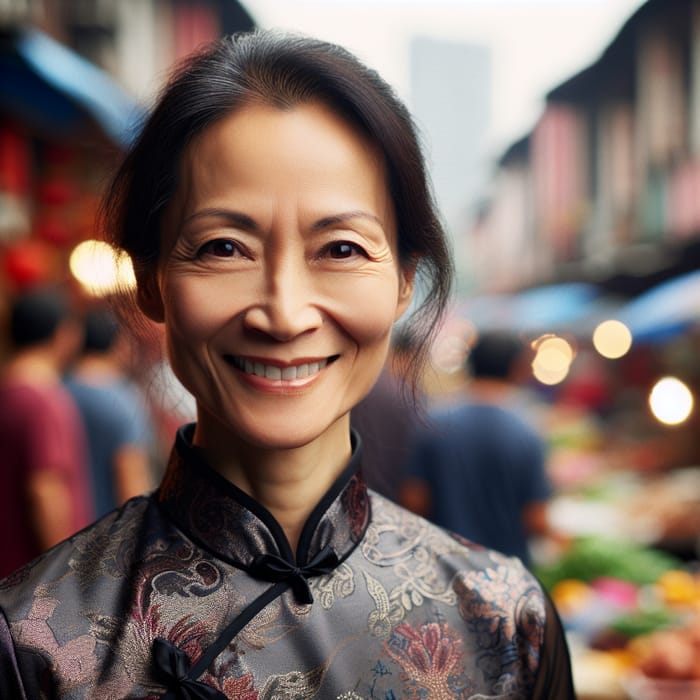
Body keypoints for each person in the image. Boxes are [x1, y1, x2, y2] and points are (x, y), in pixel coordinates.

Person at [0, 31, 574, 697]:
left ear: (402, 283)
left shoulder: (504, 624)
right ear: (151, 279)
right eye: (223, 247)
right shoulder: (33, 641)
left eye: (340, 249)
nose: (284, 313)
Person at [400, 331, 554, 567]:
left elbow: (414, 500)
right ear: (516, 368)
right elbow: (536, 518)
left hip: (442, 568)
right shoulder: (526, 432)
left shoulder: (433, 422)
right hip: (506, 576)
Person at [0, 286, 94, 578]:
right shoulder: (43, 399)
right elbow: (46, 488)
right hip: (31, 580)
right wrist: (62, 577)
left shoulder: (8, 389)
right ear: (64, 333)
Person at [65, 306, 156, 518]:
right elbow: (131, 481)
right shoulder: (122, 399)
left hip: (67, 532)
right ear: (119, 344)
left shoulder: (61, 388)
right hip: (107, 530)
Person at [350, 327, 424, 501]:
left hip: (350, 496)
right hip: (391, 500)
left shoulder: (357, 388)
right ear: (409, 356)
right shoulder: (409, 398)